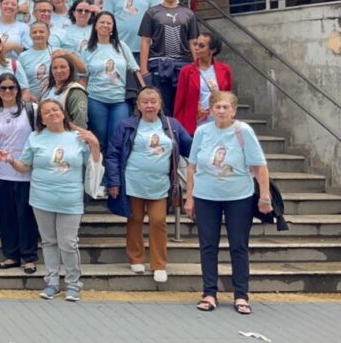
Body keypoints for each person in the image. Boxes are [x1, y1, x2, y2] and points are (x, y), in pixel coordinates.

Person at [0, 100, 102, 301]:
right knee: (48, 241)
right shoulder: (35, 137)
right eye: (46, 112)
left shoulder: (78, 137)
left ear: (63, 114)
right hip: (41, 198)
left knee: (68, 243)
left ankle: (73, 284)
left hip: (70, 199)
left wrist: (95, 145)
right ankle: (52, 282)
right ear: (42, 119)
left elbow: (93, 165)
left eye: (55, 110)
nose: (52, 114)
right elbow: (25, 166)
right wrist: (10, 160)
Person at [186, 91, 272, 315]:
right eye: (217, 107)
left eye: (226, 107)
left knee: (239, 245)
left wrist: (265, 196)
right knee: (208, 245)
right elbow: (192, 166)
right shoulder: (202, 131)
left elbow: (259, 165)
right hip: (206, 195)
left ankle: (241, 295)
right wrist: (189, 197)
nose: (222, 111)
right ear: (211, 110)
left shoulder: (243, 131)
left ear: (234, 110)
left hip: (239, 196)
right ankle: (209, 293)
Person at [105, 87, 193, 283]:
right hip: (132, 183)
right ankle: (136, 258)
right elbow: (113, 154)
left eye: (153, 101)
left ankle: (159, 264)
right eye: (145, 102)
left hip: (160, 184)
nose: (149, 105)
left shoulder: (173, 125)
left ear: (160, 104)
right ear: (138, 105)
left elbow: (190, 147)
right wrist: (114, 181)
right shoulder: (126, 126)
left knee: (158, 221)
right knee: (135, 220)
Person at [0, 74, 39, 273]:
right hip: (1, 171)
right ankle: (11, 255)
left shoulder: (30, 110)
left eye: (12, 87)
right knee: (7, 215)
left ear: (18, 89)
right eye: (3, 88)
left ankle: (29, 257)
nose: (8, 91)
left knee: (26, 215)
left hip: (26, 170)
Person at [83, 11, 143, 154]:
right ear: (95, 25)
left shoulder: (121, 46)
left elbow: (135, 70)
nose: (105, 25)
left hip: (120, 100)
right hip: (96, 99)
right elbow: (83, 77)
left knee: (117, 139)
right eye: (102, 22)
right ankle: (99, 167)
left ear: (113, 27)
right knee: (98, 140)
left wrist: (145, 91)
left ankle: (114, 168)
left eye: (109, 23)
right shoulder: (87, 49)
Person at [139, 0, 199, 115]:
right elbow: (145, 41)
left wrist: (197, 65)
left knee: (182, 104)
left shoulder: (188, 14)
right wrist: (143, 69)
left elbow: (193, 41)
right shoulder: (152, 13)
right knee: (163, 104)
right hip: (159, 63)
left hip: (183, 64)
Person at [174, 33, 234, 135]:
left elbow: (229, 98)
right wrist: (178, 128)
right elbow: (180, 102)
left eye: (201, 46)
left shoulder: (225, 70)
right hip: (195, 123)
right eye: (196, 44)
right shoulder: (186, 71)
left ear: (212, 50)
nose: (196, 48)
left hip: (218, 121)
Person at [41, 53, 88, 129]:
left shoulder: (76, 92)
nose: (58, 71)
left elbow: (80, 124)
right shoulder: (47, 89)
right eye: (55, 68)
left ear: (70, 69)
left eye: (63, 67)